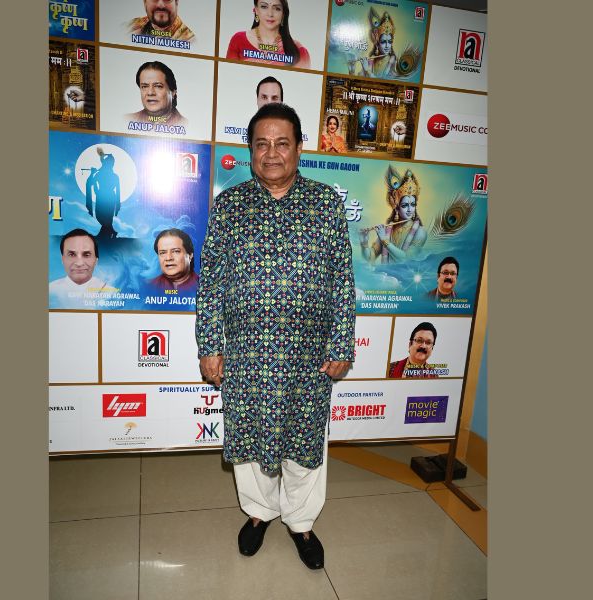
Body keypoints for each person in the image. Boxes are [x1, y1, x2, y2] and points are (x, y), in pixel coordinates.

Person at [196, 103, 355, 570]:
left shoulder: (326, 204)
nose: (271, 153)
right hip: (247, 353)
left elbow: (343, 279)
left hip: (308, 355)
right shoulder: (230, 206)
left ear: (299, 147)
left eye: (282, 143)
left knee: (304, 439)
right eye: (261, 144)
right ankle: (259, 512)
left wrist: (341, 343)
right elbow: (211, 282)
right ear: (250, 151)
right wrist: (210, 345)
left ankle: (301, 522)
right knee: (251, 439)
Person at [360, 166, 427, 263]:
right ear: (397, 207)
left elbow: (406, 259)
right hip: (384, 273)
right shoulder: (388, 230)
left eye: (413, 205)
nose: (410, 209)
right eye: (404, 205)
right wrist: (364, 243)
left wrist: (385, 240)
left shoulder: (420, 232)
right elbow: (370, 258)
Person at [226, 0, 310, 69]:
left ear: (283, 14)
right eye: (264, 7)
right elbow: (230, 75)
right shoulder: (238, 40)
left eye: (277, 8)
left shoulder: (298, 51)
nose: (270, 14)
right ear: (256, 10)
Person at [348, 8, 421, 79]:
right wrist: (352, 70)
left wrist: (367, 70)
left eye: (389, 42)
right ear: (377, 43)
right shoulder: (372, 60)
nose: (387, 46)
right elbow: (359, 81)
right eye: (383, 42)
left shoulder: (392, 62)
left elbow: (383, 81)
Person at [125, 61, 188, 127]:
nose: (150, 93)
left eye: (158, 86)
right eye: (145, 86)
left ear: (173, 92)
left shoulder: (186, 125)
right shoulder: (128, 120)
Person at [49, 229, 110, 295]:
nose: (79, 263)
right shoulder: (50, 291)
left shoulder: (111, 293)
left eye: (86, 255)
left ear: (96, 260)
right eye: (71, 255)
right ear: (62, 259)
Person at [85, 147, 121, 239]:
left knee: (107, 217)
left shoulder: (113, 176)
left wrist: (118, 203)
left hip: (109, 197)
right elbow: (91, 183)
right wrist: (92, 174)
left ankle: (109, 233)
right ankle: (112, 232)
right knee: (100, 216)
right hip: (101, 196)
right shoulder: (100, 174)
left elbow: (118, 191)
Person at [128, 0, 195, 42]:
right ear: (145, 2)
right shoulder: (131, 26)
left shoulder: (188, 40)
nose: (161, 5)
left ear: (176, 2)